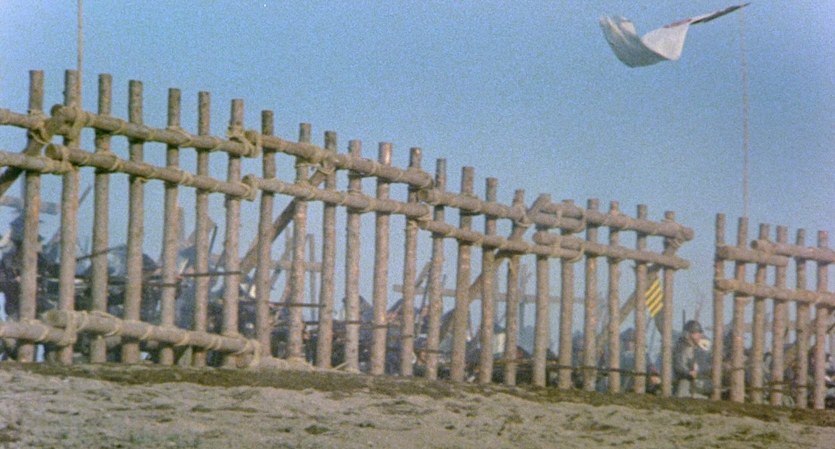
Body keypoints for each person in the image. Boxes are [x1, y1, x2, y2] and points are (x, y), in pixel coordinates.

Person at [673, 320, 707, 398]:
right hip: (682, 383)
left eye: (700, 333)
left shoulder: (695, 349)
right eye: (697, 333)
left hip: (693, 384)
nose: (700, 335)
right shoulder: (682, 348)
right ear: (689, 334)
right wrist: (689, 373)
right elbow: (679, 366)